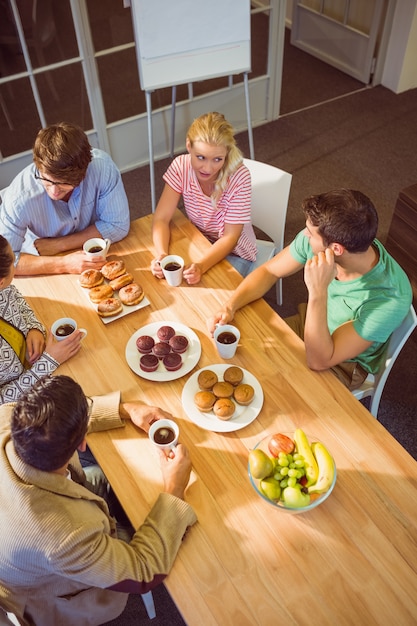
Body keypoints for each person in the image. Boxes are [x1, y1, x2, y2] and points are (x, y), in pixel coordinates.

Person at [0, 375, 196, 625]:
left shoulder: (8, 416)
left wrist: (126, 410)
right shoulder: (65, 538)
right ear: (82, 443)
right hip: (54, 588)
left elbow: (63, 416)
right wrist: (174, 488)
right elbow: (142, 571)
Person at [209, 189, 413, 390]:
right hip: (310, 322)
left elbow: (320, 360)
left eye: (310, 232)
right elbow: (269, 271)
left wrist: (318, 292)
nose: (305, 234)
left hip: (343, 363)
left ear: (336, 249)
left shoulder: (389, 298)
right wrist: (230, 305)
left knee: (272, 389)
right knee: (240, 352)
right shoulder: (326, 239)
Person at [0, 122, 130, 276]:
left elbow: (118, 225)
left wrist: (59, 245)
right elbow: (6, 263)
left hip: (88, 250)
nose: (54, 191)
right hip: (42, 258)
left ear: (83, 173)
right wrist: (63, 264)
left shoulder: (102, 169)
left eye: (64, 183)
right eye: (47, 180)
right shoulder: (18, 198)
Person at [151, 111, 257, 284]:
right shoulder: (180, 167)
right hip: (201, 240)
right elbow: (161, 218)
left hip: (236, 252)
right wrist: (162, 255)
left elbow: (230, 238)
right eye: (200, 157)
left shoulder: (240, 177)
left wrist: (201, 266)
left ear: (227, 154)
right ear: (188, 146)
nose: (207, 168)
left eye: (217, 159)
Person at [0, 234, 82, 404]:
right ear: (1, 281)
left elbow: (14, 295)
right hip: (26, 405)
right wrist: (49, 362)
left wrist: (33, 327)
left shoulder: (4, 290)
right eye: (14, 259)